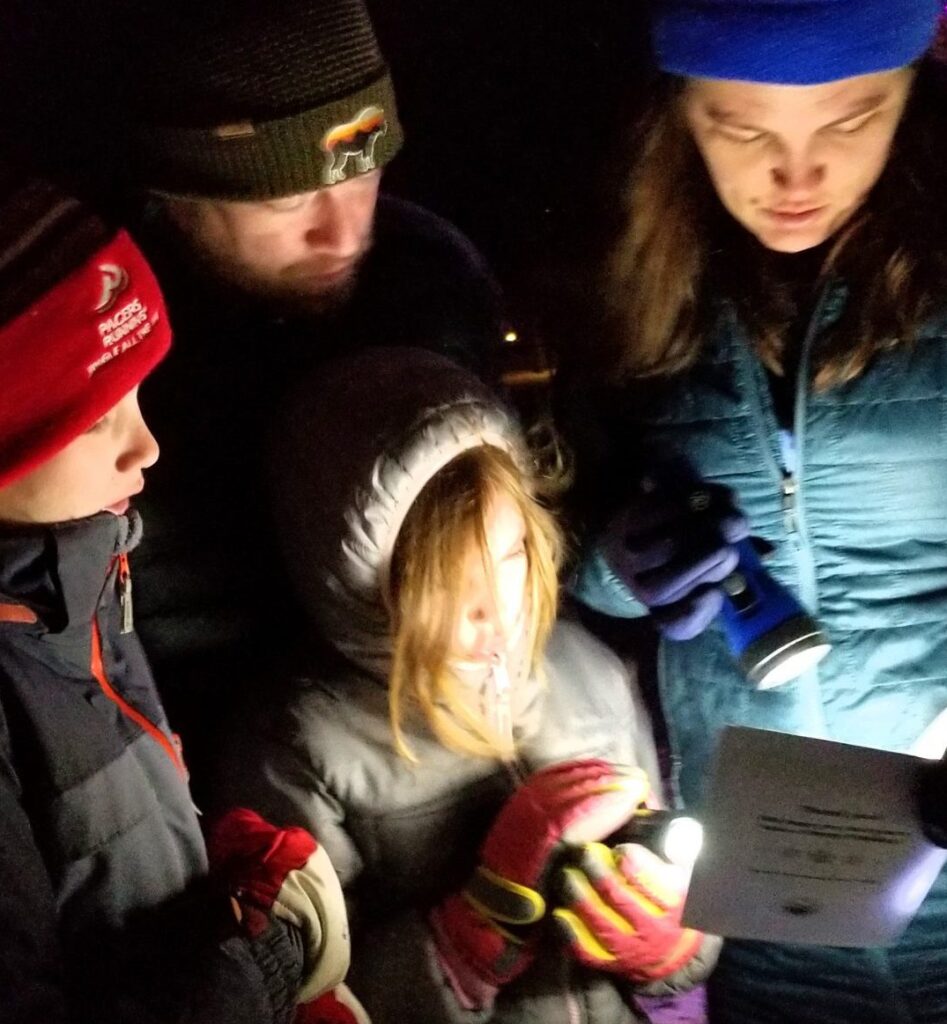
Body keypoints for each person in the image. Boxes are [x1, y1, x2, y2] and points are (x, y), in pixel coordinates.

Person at [567, 1, 947, 1021]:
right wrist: (615, 560)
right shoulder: (621, 276)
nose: (795, 177)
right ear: (677, 112)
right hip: (761, 893)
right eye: (740, 128)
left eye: (848, 119)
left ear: (914, 93)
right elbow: (558, 528)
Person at [20, 0, 507, 778]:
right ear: (175, 195)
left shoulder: (431, 287)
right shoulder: (102, 359)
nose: (343, 233)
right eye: (286, 201)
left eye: (364, 175)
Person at [211, 345, 718, 1023]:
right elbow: (301, 996)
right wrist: (474, 928)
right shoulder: (301, 743)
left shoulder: (584, 666)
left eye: (507, 552)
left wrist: (670, 943)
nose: (494, 606)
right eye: (448, 578)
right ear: (365, 583)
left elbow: (685, 896)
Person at [0, 169, 357, 1024]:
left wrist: (207, 890)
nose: (146, 447)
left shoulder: (77, 574)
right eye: (93, 419)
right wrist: (260, 967)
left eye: (138, 395)